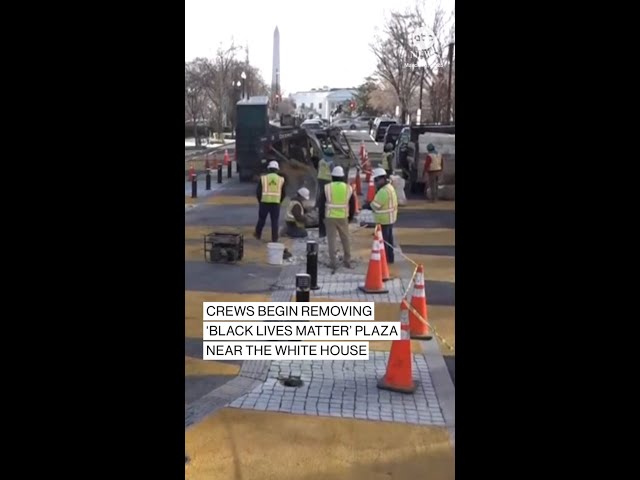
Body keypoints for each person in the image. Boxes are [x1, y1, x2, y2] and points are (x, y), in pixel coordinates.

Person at [317, 166, 356, 273]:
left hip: (330, 217)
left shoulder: (327, 187)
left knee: (332, 240)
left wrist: (321, 217)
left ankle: (333, 262)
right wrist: (350, 217)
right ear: (342, 177)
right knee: (345, 239)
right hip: (343, 217)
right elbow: (352, 204)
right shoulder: (348, 188)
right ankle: (347, 260)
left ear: (333, 177)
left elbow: (321, 204)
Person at [369, 168, 398, 264]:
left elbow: (375, 206)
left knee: (384, 242)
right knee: (389, 241)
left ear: (381, 179)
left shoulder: (383, 192)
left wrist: (368, 205)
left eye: (376, 180)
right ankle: (390, 258)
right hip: (390, 218)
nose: (375, 183)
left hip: (384, 220)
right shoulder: (389, 187)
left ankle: (384, 261)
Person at [254, 160, 287, 242]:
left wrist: (260, 201)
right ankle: (274, 238)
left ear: (269, 169)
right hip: (275, 203)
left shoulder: (263, 178)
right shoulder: (281, 179)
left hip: (264, 202)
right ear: (277, 170)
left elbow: (258, 192)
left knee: (261, 219)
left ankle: (258, 234)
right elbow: (284, 193)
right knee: (275, 221)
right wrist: (279, 201)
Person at [316, 145, 335, 238]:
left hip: (320, 180)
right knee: (326, 198)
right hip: (328, 181)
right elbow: (333, 173)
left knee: (320, 195)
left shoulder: (321, 161)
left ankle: (318, 202)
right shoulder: (331, 163)